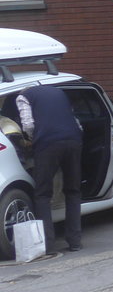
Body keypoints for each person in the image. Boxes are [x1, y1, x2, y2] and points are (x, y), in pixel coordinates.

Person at [17, 84, 83, 252]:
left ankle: (48, 245)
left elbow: (28, 125)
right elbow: (76, 121)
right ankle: (75, 242)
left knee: (43, 194)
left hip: (48, 144)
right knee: (73, 191)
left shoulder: (23, 97)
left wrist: (32, 141)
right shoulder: (59, 93)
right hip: (74, 140)